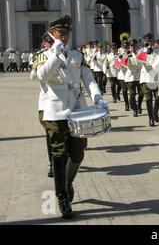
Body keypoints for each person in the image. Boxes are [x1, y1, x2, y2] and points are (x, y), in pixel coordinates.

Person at [33, 15, 107, 219]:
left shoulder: (77, 54)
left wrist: (97, 96)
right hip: (54, 111)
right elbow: (42, 76)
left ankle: (68, 181)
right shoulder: (43, 55)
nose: (64, 37)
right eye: (60, 33)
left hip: (77, 110)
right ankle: (62, 198)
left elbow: (88, 77)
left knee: (78, 152)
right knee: (58, 153)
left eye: (67, 34)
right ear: (52, 34)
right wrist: (55, 55)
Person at [31, 33, 55, 178]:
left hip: (64, 102)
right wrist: (39, 66)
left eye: (52, 42)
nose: (50, 45)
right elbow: (33, 76)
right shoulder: (40, 57)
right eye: (48, 42)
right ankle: (52, 163)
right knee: (50, 134)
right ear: (43, 44)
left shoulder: (64, 54)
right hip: (46, 102)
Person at [137, 33, 159, 127]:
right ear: (144, 41)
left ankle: (155, 112)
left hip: (156, 77)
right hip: (146, 77)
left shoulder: (157, 50)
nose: (148, 41)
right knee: (148, 98)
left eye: (149, 40)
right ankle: (151, 118)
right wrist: (145, 52)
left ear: (152, 40)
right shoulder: (141, 52)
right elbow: (138, 64)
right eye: (146, 40)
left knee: (158, 98)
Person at [123, 39, 141, 117]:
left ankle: (139, 105)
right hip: (130, 77)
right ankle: (134, 109)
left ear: (136, 45)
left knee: (141, 93)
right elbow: (124, 64)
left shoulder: (140, 52)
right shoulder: (126, 53)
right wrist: (126, 56)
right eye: (131, 45)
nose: (132, 47)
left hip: (139, 76)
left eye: (134, 45)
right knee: (132, 94)